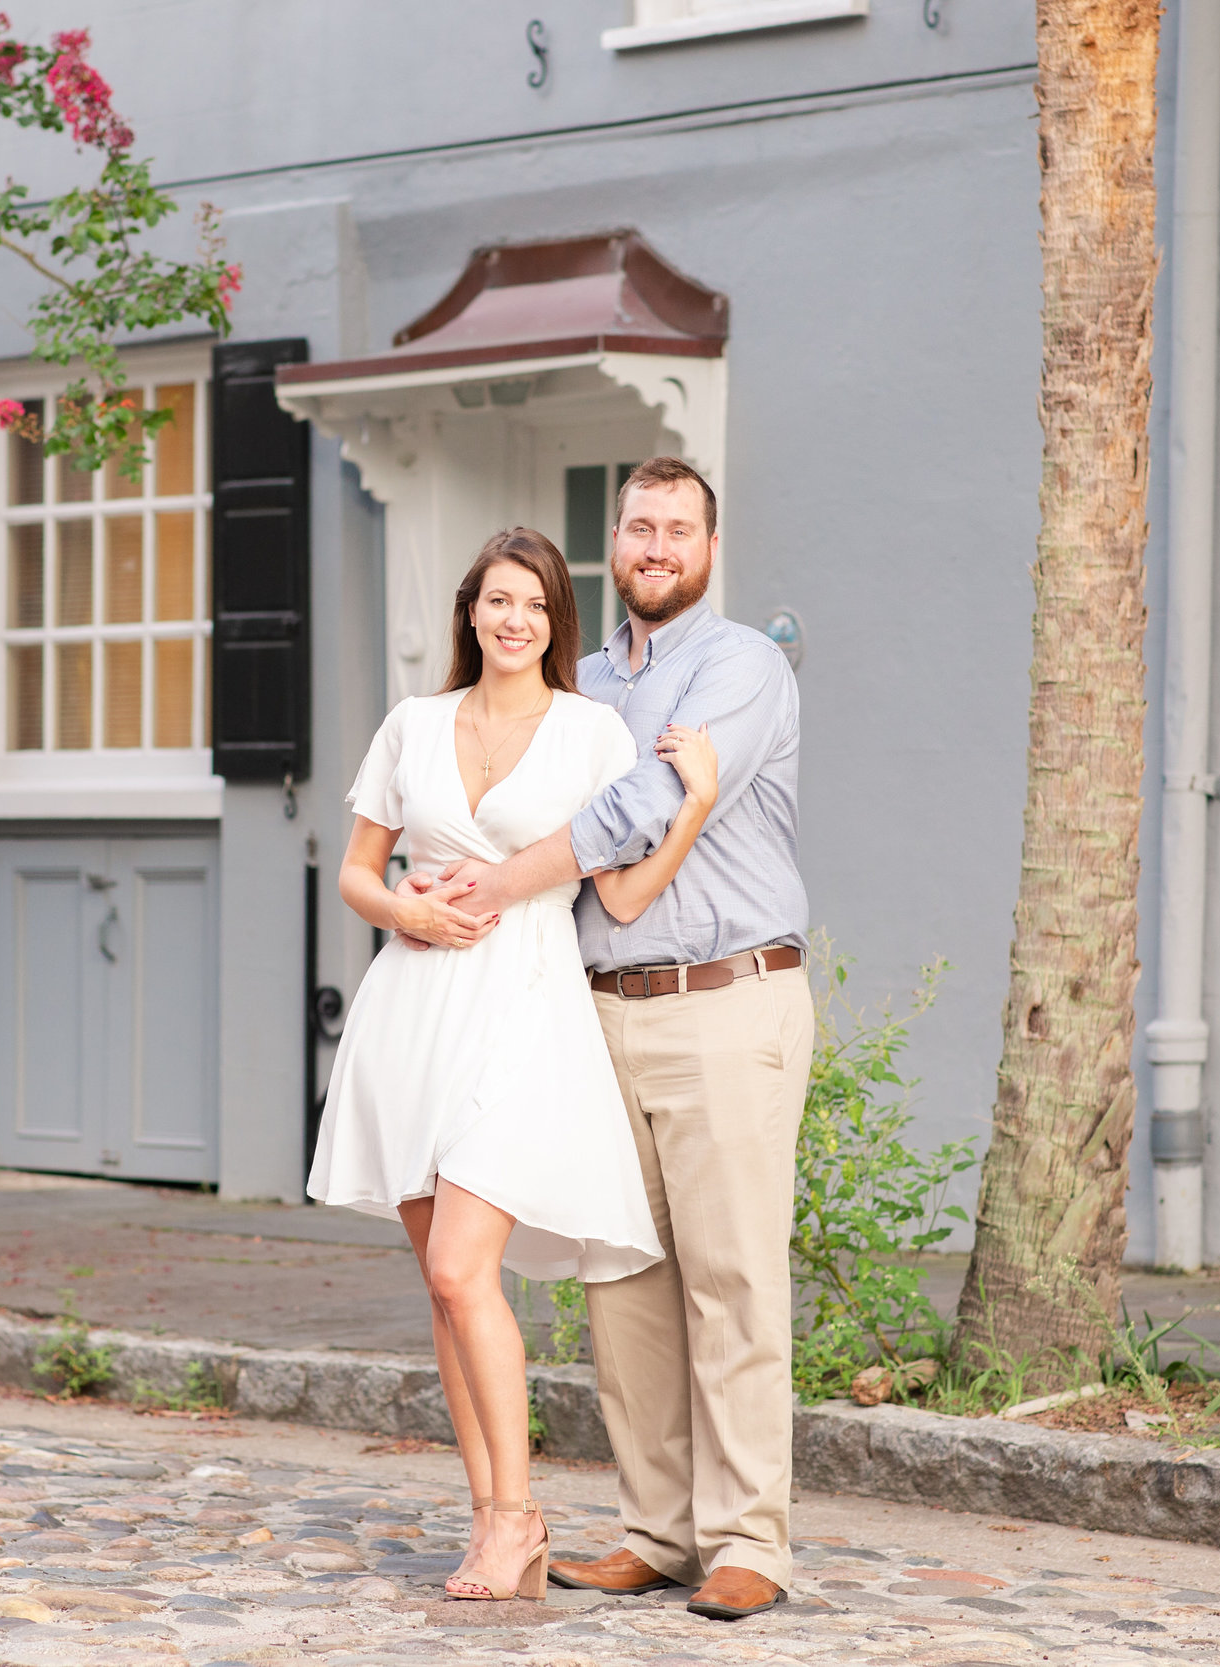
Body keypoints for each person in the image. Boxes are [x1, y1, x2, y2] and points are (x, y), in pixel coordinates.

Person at [404, 457, 810, 1621]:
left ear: (709, 548)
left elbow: (628, 816)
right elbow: (498, 797)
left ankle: (748, 1541)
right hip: (592, 1009)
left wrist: (491, 881)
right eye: (639, 525)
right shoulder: (575, 683)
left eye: (679, 528)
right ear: (614, 542)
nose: (656, 545)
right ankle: (657, 1527)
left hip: (724, 997)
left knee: (729, 1274)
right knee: (621, 1276)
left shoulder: (740, 666)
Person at [310, 526, 719, 1603]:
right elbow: (358, 870)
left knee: (460, 1266)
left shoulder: (590, 732)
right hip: (411, 1008)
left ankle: (515, 1514)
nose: (513, 619)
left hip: (526, 1008)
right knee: (443, 1291)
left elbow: (621, 890)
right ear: (471, 612)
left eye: (532, 603)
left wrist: (698, 805)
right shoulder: (413, 722)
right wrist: (402, 905)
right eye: (497, 599)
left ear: (554, 621)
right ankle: (494, 1517)